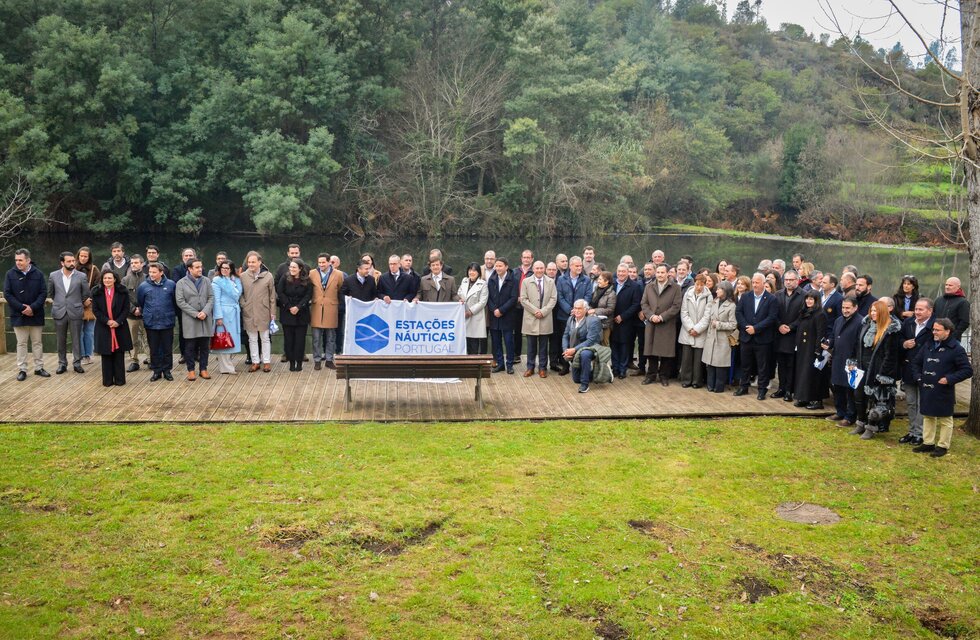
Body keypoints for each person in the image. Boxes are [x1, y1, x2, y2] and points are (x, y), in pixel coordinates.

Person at [910, 318, 974, 457]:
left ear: (947, 331)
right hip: (926, 386)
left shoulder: (956, 348)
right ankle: (928, 443)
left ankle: (943, 446)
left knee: (945, 418)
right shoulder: (928, 345)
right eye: (933, 329)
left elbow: (967, 370)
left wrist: (949, 379)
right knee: (928, 416)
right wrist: (918, 377)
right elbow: (916, 362)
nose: (934, 332)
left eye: (937, 330)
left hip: (944, 389)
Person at [4, 248, 49, 380]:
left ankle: (39, 368)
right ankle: (22, 369)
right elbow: (7, 294)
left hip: (36, 313)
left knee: (37, 342)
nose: (18, 262)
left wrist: (32, 308)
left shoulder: (38, 274)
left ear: (28, 260)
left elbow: (43, 292)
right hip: (18, 314)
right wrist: (22, 308)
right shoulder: (10, 274)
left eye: (21, 260)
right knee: (21, 343)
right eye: (16, 260)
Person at [734, 273, 778, 400]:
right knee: (745, 364)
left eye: (757, 282)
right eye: (753, 282)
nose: (754, 285)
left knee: (762, 366)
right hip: (746, 336)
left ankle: (762, 389)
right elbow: (739, 312)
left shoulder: (771, 299)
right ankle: (744, 386)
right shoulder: (746, 296)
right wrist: (746, 327)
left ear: (763, 283)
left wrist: (756, 328)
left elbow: (772, 317)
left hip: (762, 338)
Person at [898, 298, 935, 446]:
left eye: (921, 309)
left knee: (922, 403)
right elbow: (899, 339)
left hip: (925, 370)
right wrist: (904, 344)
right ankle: (912, 431)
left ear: (930, 311)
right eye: (916, 309)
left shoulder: (935, 326)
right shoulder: (908, 322)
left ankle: (920, 433)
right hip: (908, 368)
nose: (917, 312)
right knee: (911, 402)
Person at [48, 251, 92, 374]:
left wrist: (77, 303)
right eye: (69, 261)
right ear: (62, 263)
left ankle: (77, 363)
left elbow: (86, 293)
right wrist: (60, 302)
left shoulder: (81, 276)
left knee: (77, 339)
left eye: (73, 261)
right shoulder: (53, 275)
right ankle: (62, 364)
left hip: (76, 311)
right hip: (59, 311)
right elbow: (51, 293)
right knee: (60, 339)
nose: (72, 263)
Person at [823, 297, 863, 426]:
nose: (845, 310)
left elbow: (860, 343)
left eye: (848, 308)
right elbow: (833, 336)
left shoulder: (861, 322)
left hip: (852, 361)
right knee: (837, 387)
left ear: (855, 308)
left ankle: (850, 416)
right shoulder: (838, 320)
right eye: (843, 307)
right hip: (837, 358)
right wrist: (829, 343)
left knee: (850, 389)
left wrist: (855, 360)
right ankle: (840, 412)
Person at [640, 264, 682, 386]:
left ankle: (664, 376)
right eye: (658, 272)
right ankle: (651, 375)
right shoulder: (649, 286)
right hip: (652, 323)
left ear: (667, 273)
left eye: (662, 272)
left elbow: (676, 306)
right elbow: (644, 303)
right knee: (651, 350)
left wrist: (662, 317)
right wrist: (651, 316)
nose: (660, 275)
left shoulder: (675, 287)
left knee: (666, 351)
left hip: (667, 324)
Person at [91, 268, 133, 386]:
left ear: (114, 279)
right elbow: (95, 310)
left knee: (119, 354)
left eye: (109, 278)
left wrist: (118, 321)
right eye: (105, 278)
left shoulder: (122, 291)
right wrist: (107, 321)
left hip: (119, 325)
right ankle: (108, 380)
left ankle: (120, 380)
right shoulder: (96, 292)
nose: (107, 280)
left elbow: (126, 308)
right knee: (106, 354)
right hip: (104, 326)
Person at [175, 258, 214, 380]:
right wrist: (196, 314)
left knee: (205, 346)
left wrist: (205, 312)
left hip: (205, 318)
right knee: (190, 346)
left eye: (201, 267)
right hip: (190, 319)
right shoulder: (181, 283)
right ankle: (191, 370)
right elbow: (180, 302)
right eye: (197, 267)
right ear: (190, 269)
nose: (200, 269)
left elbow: (211, 297)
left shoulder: (206, 280)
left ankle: (203, 369)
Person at [137, 262, 177, 381]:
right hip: (151, 322)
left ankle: (167, 370)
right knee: (154, 349)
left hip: (167, 321)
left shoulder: (171, 284)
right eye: (150, 272)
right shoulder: (143, 286)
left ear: (161, 272)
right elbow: (141, 302)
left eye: (154, 272)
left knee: (167, 349)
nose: (151, 274)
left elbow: (175, 302)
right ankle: (157, 371)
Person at [519, 260, 558, 377]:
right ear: (533, 269)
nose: (539, 270)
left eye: (541, 268)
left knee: (543, 346)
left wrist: (543, 311)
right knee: (531, 346)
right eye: (537, 268)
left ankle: (542, 368)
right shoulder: (526, 281)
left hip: (545, 318)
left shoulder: (550, 282)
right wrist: (535, 311)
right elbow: (523, 299)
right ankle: (530, 367)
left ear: (544, 269)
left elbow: (553, 299)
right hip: (531, 318)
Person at [555, 257, 593, 375]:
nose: (579, 268)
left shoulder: (586, 280)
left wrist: (579, 310)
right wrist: (570, 310)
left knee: (580, 340)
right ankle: (565, 365)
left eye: (580, 266)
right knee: (565, 339)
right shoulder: (561, 279)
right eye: (577, 266)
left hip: (581, 316)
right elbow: (559, 296)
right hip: (564, 315)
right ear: (571, 266)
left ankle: (578, 365)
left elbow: (588, 296)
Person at [241, 251, 276, 372]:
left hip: (263, 311)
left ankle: (266, 362)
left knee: (265, 338)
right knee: (252, 338)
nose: (251, 264)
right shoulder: (243, 276)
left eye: (253, 262)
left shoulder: (268, 276)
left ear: (259, 262)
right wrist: (244, 304)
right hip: (249, 312)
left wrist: (273, 313)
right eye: (249, 262)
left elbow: (272, 296)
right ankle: (255, 362)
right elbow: (239, 294)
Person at [792, 290, 827, 409]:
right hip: (803, 348)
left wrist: (818, 351)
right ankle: (804, 397)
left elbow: (820, 334)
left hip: (812, 348)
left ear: (816, 300)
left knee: (812, 374)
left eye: (811, 299)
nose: (808, 301)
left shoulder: (820, 314)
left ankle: (816, 400)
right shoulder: (804, 312)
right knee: (802, 373)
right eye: (807, 298)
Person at [772, 270, 803, 401]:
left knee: (791, 364)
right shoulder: (778, 294)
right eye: (786, 280)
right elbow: (773, 313)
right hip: (779, 334)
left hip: (794, 335)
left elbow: (803, 316)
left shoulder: (803, 295)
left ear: (797, 280)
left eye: (791, 280)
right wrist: (779, 325)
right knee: (781, 363)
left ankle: (789, 390)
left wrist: (790, 327)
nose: (788, 282)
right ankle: (781, 388)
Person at [277, 259, 313, 372]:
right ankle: (291, 362)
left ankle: (299, 362)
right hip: (287, 313)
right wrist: (289, 306)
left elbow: (308, 295)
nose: (291, 269)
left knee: (300, 340)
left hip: (302, 313)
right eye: (290, 267)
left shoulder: (307, 280)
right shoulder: (284, 278)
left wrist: (298, 307)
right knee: (289, 340)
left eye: (294, 267)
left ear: (300, 268)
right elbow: (280, 292)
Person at [310, 253, 344, 370]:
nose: (321, 265)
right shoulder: (312, 273)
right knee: (316, 338)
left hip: (331, 307)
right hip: (317, 307)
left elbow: (341, 290)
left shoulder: (338, 274)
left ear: (329, 262)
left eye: (323, 262)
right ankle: (317, 360)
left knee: (331, 337)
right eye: (319, 262)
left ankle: (329, 359)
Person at [702, 281, 737, 393]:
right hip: (711, 336)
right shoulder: (714, 302)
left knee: (720, 364)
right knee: (710, 362)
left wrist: (719, 324)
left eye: (719, 289)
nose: (716, 291)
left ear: (725, 291)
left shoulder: (732, 306)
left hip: (723, 339)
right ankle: (710, 384)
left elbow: (733, 324)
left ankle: (719, 386)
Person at [562, 299, 604, 393]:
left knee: (584, 354)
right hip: (575, 347)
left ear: (585, 309)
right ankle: (594, 373)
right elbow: (565, 336)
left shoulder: (593, 320)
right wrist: (566, 350)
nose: (577, 310)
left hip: (591, 347)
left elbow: (590, 341)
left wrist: (574, 349)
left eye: (579, 308)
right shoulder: (570, 319)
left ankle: (585, 385)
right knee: (576, 379)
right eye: (575, 308)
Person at [678, 273, 710, 388]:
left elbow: (707, 316)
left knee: (698, 359)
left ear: (705, 284)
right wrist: (690, 328)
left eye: (701, 285)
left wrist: (697, 329)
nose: (699, 287)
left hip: (701, 332)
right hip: (687, 331)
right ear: (694, 283)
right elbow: (684, 312)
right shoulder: (688, 294)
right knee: (686, 358)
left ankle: (697, 381)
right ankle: (686, 380)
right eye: (697, 284)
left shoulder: (708, 296)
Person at [610, 264, 642, 379]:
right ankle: (615, 368)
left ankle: (622, 370)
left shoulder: (635, 286)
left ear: (628, 272)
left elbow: (636, 305)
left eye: (623, 271)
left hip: (626, 321)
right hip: (612, 320)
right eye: (619, 271)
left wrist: (623, 316)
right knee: (613, 345)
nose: (621, 273)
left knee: (624, 345)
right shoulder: (611, 284)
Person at [487, 257, 519, 374]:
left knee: (509, 341)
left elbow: (513, 298)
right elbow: (488, 297)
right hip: (494, 315)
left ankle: (509, 364)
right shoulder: (492, 279)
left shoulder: (513, 279)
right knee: (496, 341)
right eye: (497, 266)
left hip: (508, 315)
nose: (498, 268)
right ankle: (500, 364)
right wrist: (494, 309)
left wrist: (501, 310)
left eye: (500, 266)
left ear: (506, 267)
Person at [211, 259, 242, 375]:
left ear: (231, 269)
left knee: (231, 338)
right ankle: (226, 368)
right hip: (223, 313)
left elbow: (238, 294)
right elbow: (216, 301)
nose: (224, 270)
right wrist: (218, 317)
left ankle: (228, 365)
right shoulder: (217, 281)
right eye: (222, 268)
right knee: (223, 338)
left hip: (234, 312)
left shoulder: (235, 279)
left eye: (227, 268)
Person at [121, 255, 148, 373]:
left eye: (136, 263)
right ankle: (134, 361)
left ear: (142, 264)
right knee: (133, 339)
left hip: (145, 314)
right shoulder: (125, 280)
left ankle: (150, 359)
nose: (134, 265)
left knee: (148, 338)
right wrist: (133, 309)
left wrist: (141, 309)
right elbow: (123, 298)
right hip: (131, 315)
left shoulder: (148, 278)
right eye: (132, 263)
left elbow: (150, 296)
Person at [76, 246, 100, 365]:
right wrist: (81, 300)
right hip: (75, 304)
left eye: (85, 256)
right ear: (78, 256)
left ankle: (88, 355)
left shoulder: (94, 269)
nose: (83, 258)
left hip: (90, 304)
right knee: (78, 331)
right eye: (81, 256)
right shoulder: (73, 268)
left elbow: (98, 286)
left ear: (89, 257)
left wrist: (88, 299)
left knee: (89, 331)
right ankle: (80, 355)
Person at [458, 262, 488, 355]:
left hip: (475, 316)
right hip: (463, 315)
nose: (471, 272)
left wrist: (470, 312)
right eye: (470, 270)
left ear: (478, 272)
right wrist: (459, 300)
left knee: (474, 344)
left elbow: (482, 302)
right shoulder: (464, 281)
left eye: (474, 271)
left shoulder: (483, 284)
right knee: (464, 342)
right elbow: (459, 293)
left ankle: (474, 363)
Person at [511, 249, 534, 365]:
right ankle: (516, 354)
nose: (526, 259)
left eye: (528, 257)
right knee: (517, 331)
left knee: (530, 332)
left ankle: (531, 356)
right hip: (516, 306)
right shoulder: (514, 272)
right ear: (521, 258)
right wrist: (516, 298)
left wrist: (526, 299)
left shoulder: (535, 272)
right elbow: (510, 287)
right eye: (524, 257)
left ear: (532, 259)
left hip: (529, 306)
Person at [933, 277, 970, 341]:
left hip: (952, 339)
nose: (947, 287)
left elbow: (964, 322)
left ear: (958, 287)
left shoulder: (963, 302)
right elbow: (933, 317)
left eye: (950, 285)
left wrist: (953, 336)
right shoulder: (938, 300)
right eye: (946, 285)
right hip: (936, 337)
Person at [589, 271, 616, 346]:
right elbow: (592, 303)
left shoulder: (611, 294)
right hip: (594, 321)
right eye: (598, 279)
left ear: (607, 281)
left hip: (605, 324)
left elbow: (610, 310)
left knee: (604, 344)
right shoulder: (596, 290)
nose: (598, 281)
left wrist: (595, 311)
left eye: (600, 279)